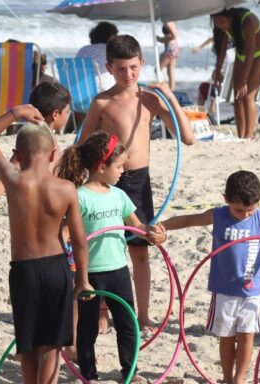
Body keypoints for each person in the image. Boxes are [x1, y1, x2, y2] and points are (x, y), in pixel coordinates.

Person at [0, 105, 91, 384]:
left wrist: (14, 113)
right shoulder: (66, 189)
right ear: (54, 153)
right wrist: (83, 279)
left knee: (27, 348)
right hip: (56, 268)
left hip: (22, 270)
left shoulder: (12, 179)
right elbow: (80, 242)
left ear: (17, 155)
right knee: (51, 347)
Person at [80, 35, 196, 337]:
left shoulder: (149, 100)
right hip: (105, 181)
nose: (128, 75)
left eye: (133, 67)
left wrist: (169, 97)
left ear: (142, 64)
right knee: (104, 251)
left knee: (141, 252)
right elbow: (82, 148)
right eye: (120, 69)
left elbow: (189, 137)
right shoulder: (102, 102)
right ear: (108, 68)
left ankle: (141, 315)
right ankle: (103, 313)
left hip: (139, 181)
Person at [155, 171, 260, 384]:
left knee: (246, 336)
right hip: (224, 289)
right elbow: (190, 219)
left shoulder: (259, 216)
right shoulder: (218, 215)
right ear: (225, 198)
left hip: (252, 290)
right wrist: (163, 225)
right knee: (227, 336)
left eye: (250, 209)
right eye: (239, 209)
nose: (246, 214)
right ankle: (227, 376)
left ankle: (239, 378)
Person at [56, 131, 161, 384]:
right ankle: (89, 372)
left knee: (127, 324)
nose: (123, 171)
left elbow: (137, 226)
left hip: (118, 269)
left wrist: (153, 233)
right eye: (119, 166)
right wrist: (62, 258)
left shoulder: (119, 195)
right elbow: (65, 233)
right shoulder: (80, 197)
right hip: (89, 272)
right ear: (101, 167)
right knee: (88, 326)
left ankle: (130, 371)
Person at [0, 81, 73, 230]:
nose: (68, 116)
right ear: (55, 114)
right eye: (67, 112)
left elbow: (7, 172)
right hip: (41, 212)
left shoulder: (42, 135)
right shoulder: (38, 139)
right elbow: (7, 172)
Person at [211, 8, 260, 139]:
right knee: (237, 97)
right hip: (241, 56)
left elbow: (250, 51)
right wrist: (218, 69)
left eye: (222, 21)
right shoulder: (223, 25)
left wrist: (244, 79)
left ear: (231, 17)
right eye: (216, 22)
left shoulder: (248, 20)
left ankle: (248, 137)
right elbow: (222, 48)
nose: (220, 25)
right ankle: (241, 137)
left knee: (248, 95)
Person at [76, 21, 118, 90]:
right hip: (104, 90)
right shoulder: (111, 50)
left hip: (81, 90)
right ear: (111, 37)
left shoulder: (82, 50)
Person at [157, 22, 179, 89]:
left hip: (170, 49)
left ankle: (164, 87)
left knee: (157, 70)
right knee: (170, 71)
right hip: (174, 48)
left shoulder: (168, 23)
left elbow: (173, 36)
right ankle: (172, 90)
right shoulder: (171, 22)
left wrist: (161, 39)